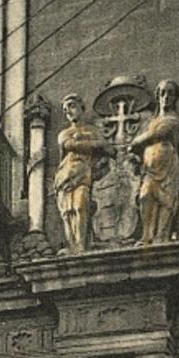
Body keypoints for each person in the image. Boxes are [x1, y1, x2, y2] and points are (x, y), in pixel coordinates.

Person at [127, 79, 179, 246]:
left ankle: (161, 236)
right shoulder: (152, 120)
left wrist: (135, 142)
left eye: (170, 93)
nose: (166, 97)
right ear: (158, 95)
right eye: (162, 92)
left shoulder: (173, 119)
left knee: (165, 199)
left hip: (167, 164)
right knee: (145, 195)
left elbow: (156, 133)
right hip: (150, 167)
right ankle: (147, 235)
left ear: (175, 98)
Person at [53, 95, 108, 254]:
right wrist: (92, 144)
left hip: (83, 173)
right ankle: (72, 246)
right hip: (65, 175)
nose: (68, 111)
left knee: (80, 205)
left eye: (71, 106)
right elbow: (69, 145)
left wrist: (86, 144)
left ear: (81, 106)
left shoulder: (92, 130)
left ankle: (81, 245)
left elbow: (105, 146)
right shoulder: (64, 133)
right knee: (67, 212)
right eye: (65, 109)